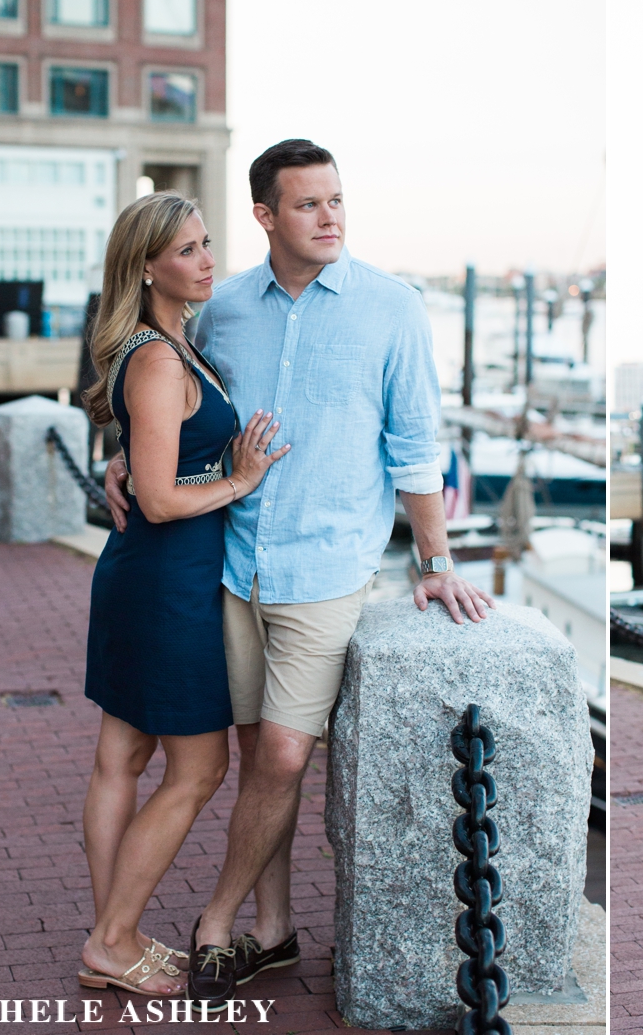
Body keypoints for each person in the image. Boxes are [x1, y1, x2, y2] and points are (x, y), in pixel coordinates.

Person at [104, 140, 495, 1004]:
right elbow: (174, 400)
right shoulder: (223, 305)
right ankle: (273, 932)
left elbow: (415, 445)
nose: (329, 218)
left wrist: (434, 560)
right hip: (234, 563)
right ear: (266, 216)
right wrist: (123, 458)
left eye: (337, 201)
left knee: (282, 755)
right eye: (309, 204)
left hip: (327, 569)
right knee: (255, 760)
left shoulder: (392, 307)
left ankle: (215, 922)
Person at [79, 193, 289, 996]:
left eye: (207, 245)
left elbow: (152, 453)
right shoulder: (161, 356)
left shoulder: (165, 343)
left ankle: (112, 942)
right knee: (197, 771)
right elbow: (163, 499)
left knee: (120, 758)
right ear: (146, 267)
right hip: (168, 583)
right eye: (188, 251)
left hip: (147, 575)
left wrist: (129, 455)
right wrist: (239, 478)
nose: (207, 262)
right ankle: (114, 938)